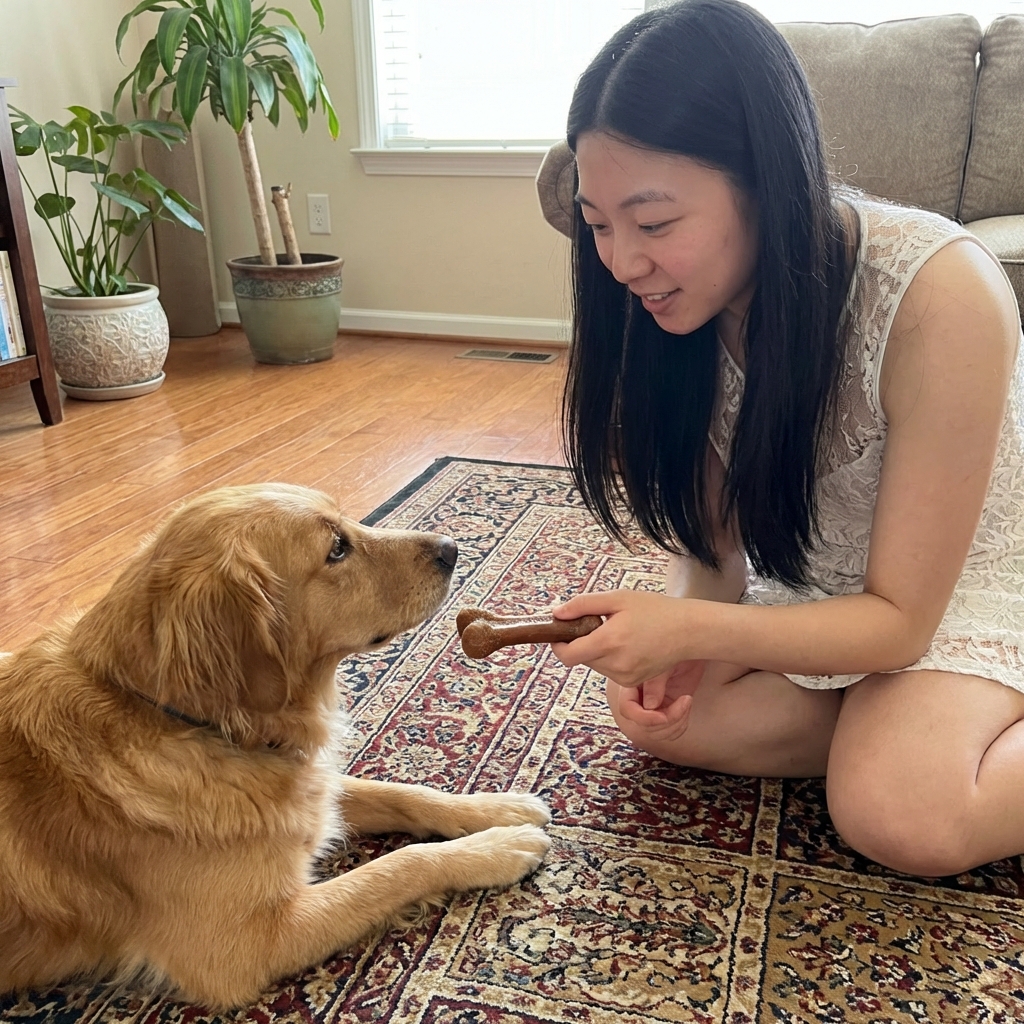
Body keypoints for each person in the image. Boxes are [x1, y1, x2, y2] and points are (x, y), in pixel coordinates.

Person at [549, 0, 1024, 878]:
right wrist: (677, 629)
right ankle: (899, 724)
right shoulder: (674, 310)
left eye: (654, 224)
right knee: (667, 715)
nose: (620, 263)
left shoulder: (937, 293)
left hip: (964, 584)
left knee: (901, 812)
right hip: (837, 592)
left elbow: (901, 618)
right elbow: (717, 552)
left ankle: (913, 732)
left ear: (765, 181)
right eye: (598, 223)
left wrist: (689, 628)